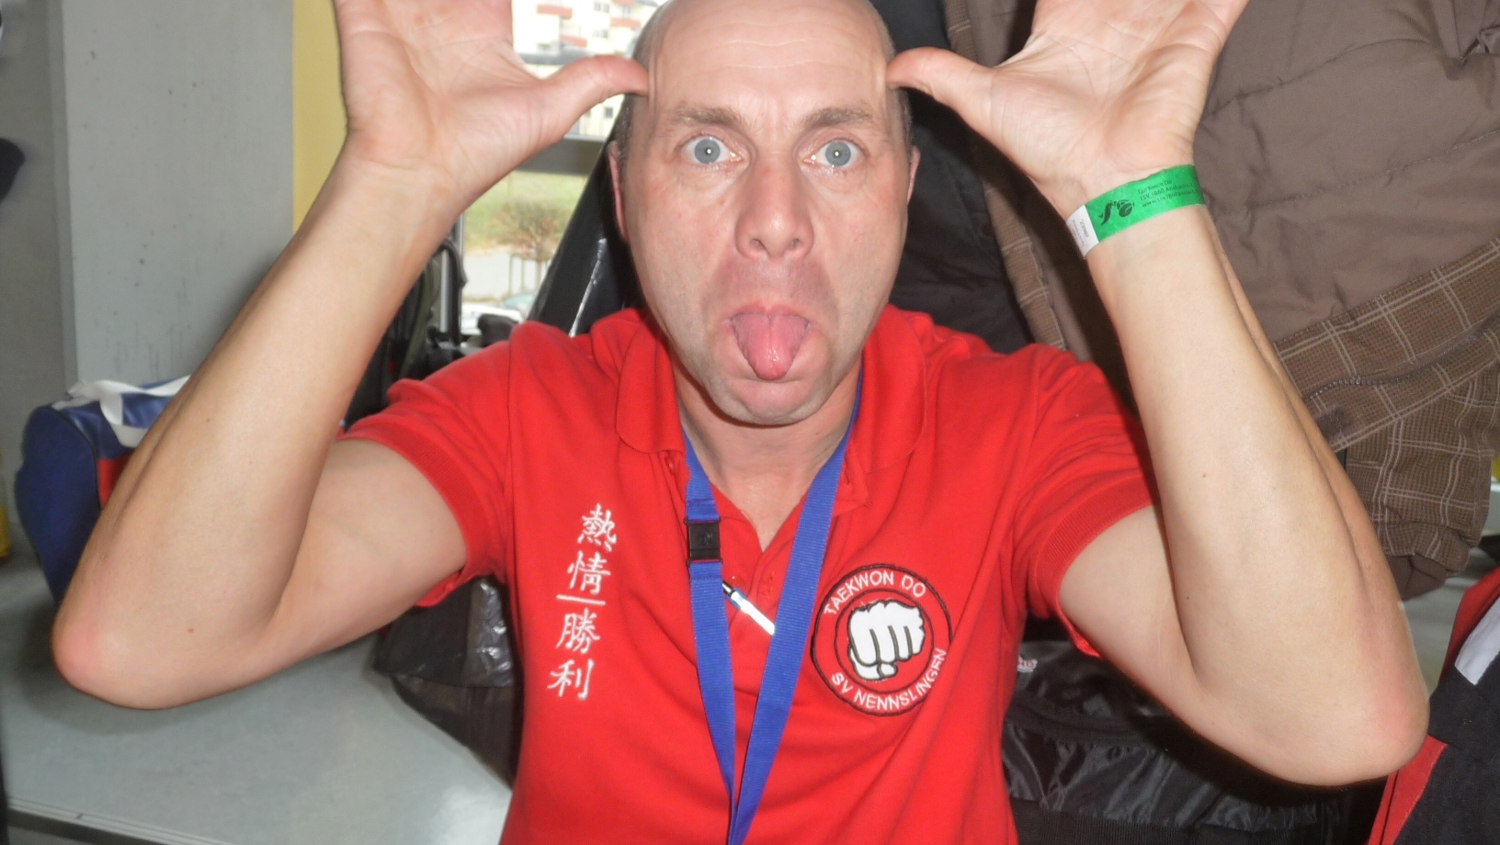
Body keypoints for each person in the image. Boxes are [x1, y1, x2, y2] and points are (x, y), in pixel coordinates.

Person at [51, 0, 1430, 841]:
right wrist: (392, 186)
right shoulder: (530, 409)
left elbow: (1338, 717)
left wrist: (1133, 194)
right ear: (627, 195)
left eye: (835, 147)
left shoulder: (1007, 423)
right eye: (708, 146)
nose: (775, 220)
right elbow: (141, 639)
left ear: (902, 192)